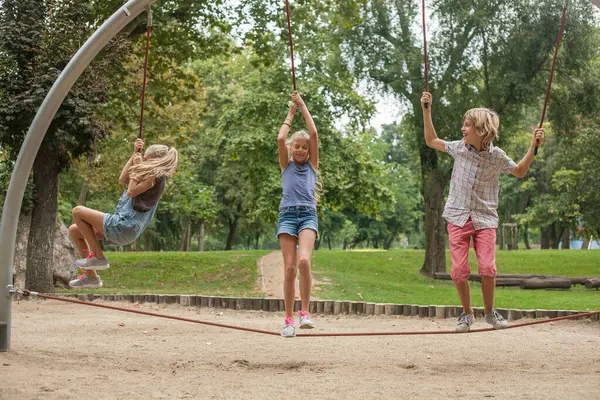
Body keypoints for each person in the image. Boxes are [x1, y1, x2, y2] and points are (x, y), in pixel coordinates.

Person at [421, 91, 544, 332]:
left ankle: (489, 312)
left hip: (485, 219)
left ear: (481, 130)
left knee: (488, 269)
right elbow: (431, 140)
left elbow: (519, 171)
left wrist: (533, 147)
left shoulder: (496, 157)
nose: (462, 129)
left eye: (467, 125)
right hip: (457, 216)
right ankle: (467, 314)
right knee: (458, 272)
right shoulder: (459, 149)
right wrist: (427, 110)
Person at [68, 139, 178, 289]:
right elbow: (123, 179)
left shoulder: (155, 177)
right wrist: (134, 154)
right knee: (75, 230)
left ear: (156, 160)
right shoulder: (148, 173)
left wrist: (138, 166)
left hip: (125, 225)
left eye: (147, 159)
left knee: (78, 211)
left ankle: (99, 257)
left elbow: (132, 191)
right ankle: (91, 277)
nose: (144, 160)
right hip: (123, 226)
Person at [277, 91, 320, 338]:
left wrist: (303, 105)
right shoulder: (286, 166)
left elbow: (313, 134)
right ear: (292, 149)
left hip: (307, 216)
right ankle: (288, 319)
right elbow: (280, 137)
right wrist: (291, 113)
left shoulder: (312, 167)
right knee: (289, 268)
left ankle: (305, 313)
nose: (301, 150)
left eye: (305, 148)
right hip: (286, 216)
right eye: (297, 146)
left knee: (304, 261)